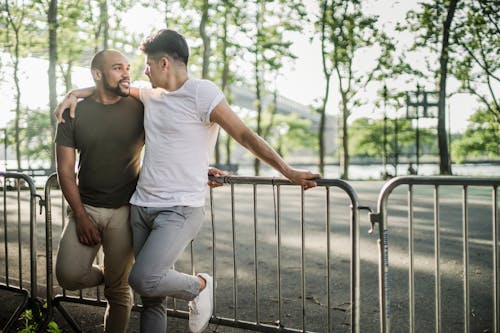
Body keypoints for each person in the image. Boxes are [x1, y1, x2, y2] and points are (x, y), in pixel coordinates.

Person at [56, 29, 320, 333]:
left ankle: (200, 285)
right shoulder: (151, 94)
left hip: (180, 209)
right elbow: (108, 89)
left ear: (164, 63)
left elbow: (245, 135)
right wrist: (74, 93)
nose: (142, 71)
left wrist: (288, 172)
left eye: (146, 64)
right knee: (151, 298)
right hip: (141, 205)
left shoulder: (202, 93)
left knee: (142, 278)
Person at [54, 49, 144, 333]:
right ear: (97, 74)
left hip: (125, 209)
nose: (127, 73)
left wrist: (201, 169)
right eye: (118, 68)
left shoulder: (140, 106)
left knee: (118, 292)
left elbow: (174, 136)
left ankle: (117, 280)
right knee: (68, 275)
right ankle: (114, 275)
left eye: (128, 67)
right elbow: (65, 170)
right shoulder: (73, 111)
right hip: (87, 207)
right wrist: (80, 216)